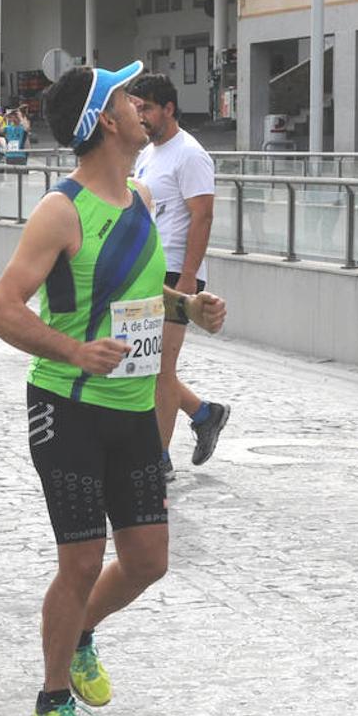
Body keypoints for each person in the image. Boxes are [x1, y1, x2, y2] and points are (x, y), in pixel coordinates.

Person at [0, 61, 226, 716]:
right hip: (67, 408)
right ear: (105, 122)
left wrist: (190, 307)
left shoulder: (143, 199)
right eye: (122, 96)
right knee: (83, 559)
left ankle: (81, 634)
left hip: (131, 411)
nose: (135, 102)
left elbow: (143, 302)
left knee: (148, 559)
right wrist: (70, 350)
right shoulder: (60, 211)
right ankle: (50, 701)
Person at [130, 73, 229, 479]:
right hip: (149, 269)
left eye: (147, 108)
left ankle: (159, 458)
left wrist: (189, 280)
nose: (141, 117)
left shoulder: (190, 154)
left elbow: (202, 215)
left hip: (177, 271)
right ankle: (205, 414)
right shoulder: (148, 154)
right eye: (136, 109)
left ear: (169, 108)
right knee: (146, 363)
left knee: (160, 368)